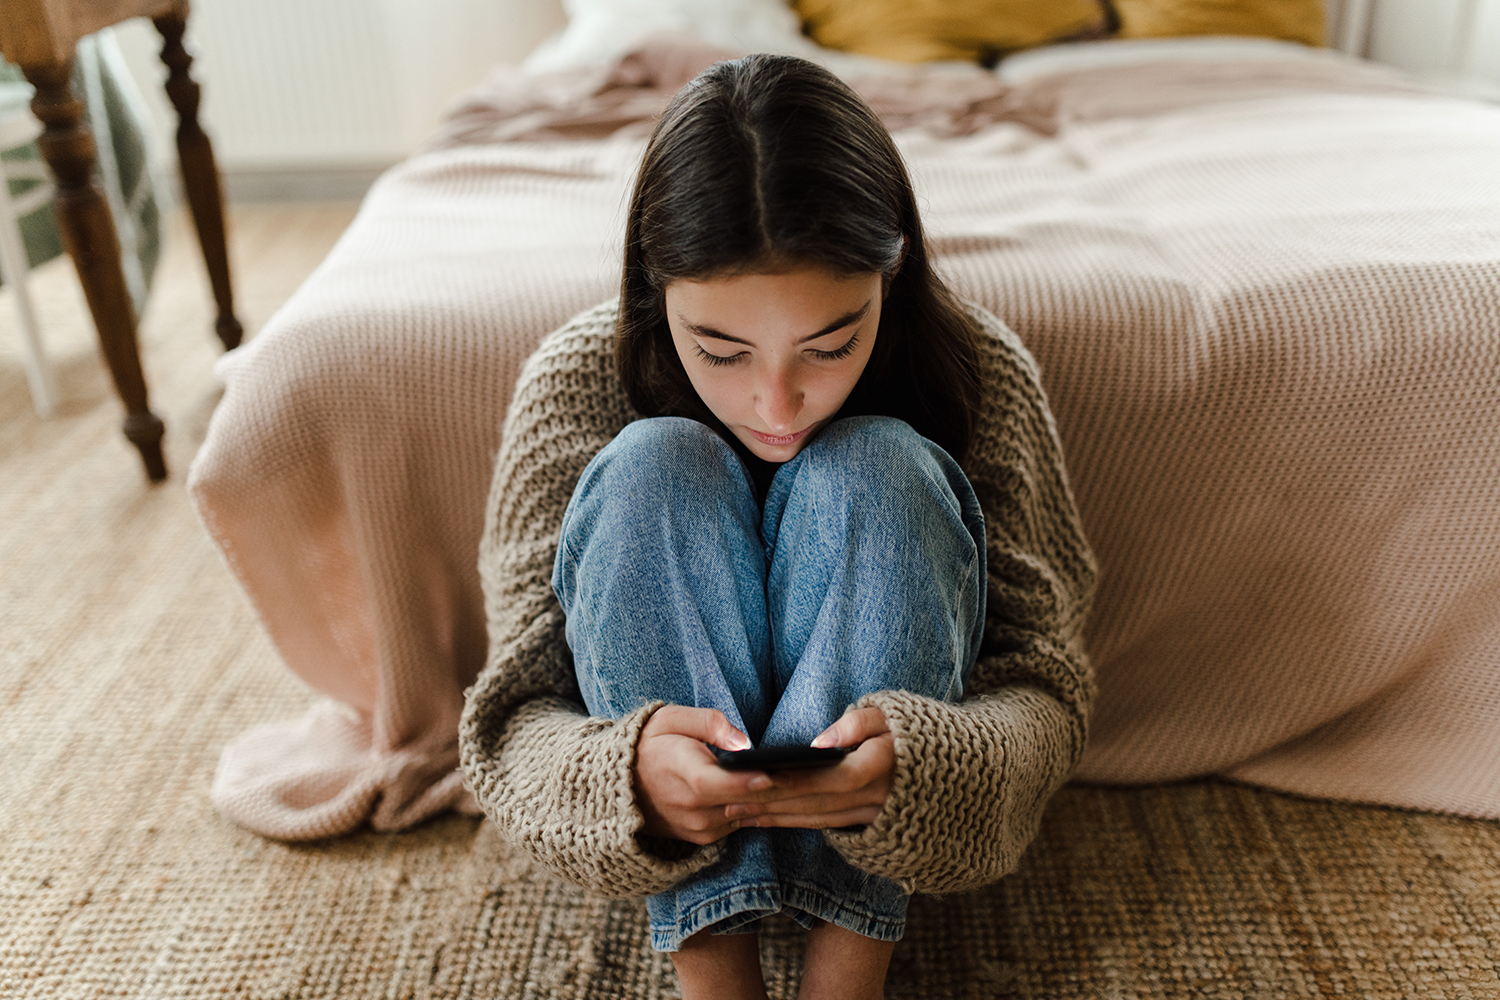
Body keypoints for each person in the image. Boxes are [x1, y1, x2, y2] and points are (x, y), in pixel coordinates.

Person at [459, 53, 1096, 1000]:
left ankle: (851, 969)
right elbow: (513, 720)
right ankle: (712, 970)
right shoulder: (578, 380)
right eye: (719, 349)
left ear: (895, 271)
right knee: (652, 462)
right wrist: (628, 777)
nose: (777, 402)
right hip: (675, 857)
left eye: (831, 343)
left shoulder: (976, 372)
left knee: (878, 459)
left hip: (883, 853)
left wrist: (929, 766)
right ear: (654, 287)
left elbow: (1046, 683)